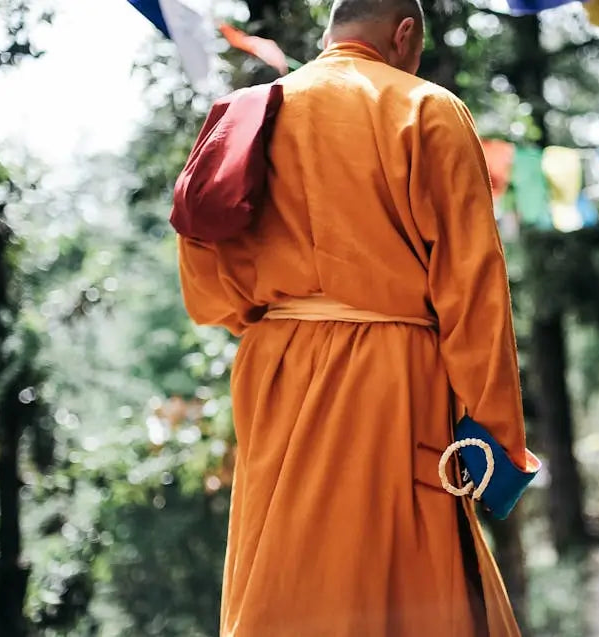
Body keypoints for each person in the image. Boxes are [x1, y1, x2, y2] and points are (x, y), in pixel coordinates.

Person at [176, 0, 529, 634]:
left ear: (329, 32)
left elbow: (208, 286)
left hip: (276, 371)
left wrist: (287, 317)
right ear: (404, 34)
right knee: (404, 581)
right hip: (391, 375)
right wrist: (493, 445)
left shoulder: (250, 114)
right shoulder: (426, 108)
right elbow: (473, 291)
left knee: (285, 571)